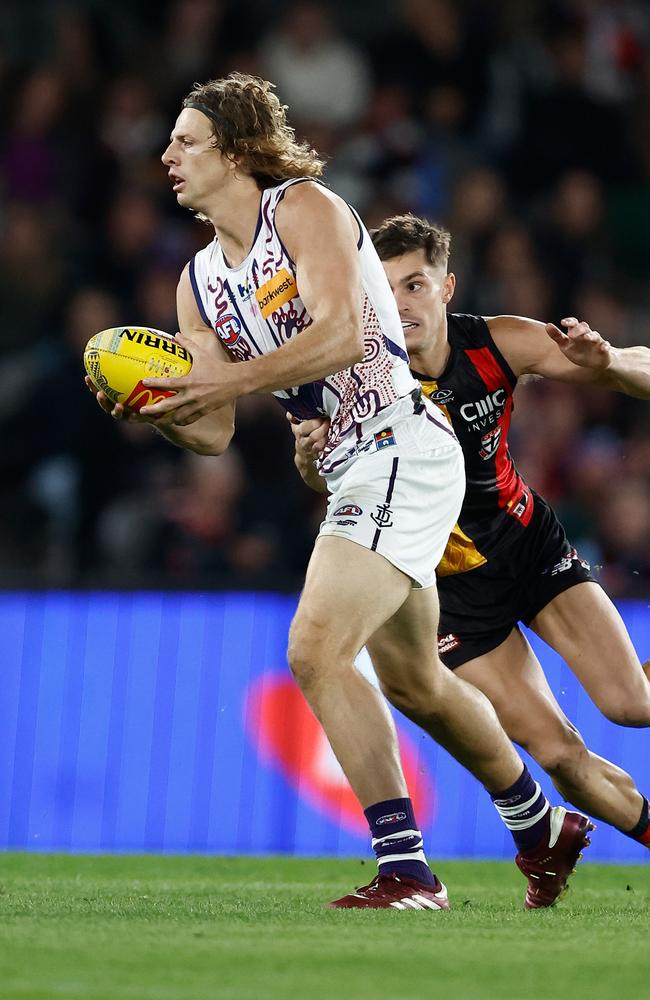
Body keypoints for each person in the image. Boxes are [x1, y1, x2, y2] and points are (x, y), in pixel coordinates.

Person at [87, 74, 591, 910]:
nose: (167, 155)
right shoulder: (198, 283)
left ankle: (407, 870)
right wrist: (158, 412)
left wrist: (229, 384)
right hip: (354, 470)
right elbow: (211, 430)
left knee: (315, 651)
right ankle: (540, 827)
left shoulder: (304, 211)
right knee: (417, 685)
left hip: (403, 443)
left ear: (238, 150)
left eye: (186, 141)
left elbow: (341, 334)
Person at [291, 213, 650, 859]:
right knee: (558, 756)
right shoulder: (348, 376)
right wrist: (311, 457)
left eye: (416, 285)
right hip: (451, 592)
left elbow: (635, 369)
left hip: (527, 546)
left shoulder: (497, 342)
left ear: (447, 287)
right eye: (386, 287)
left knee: (630, 704)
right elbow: (326, 481)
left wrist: (613, 364)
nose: (400, 305)